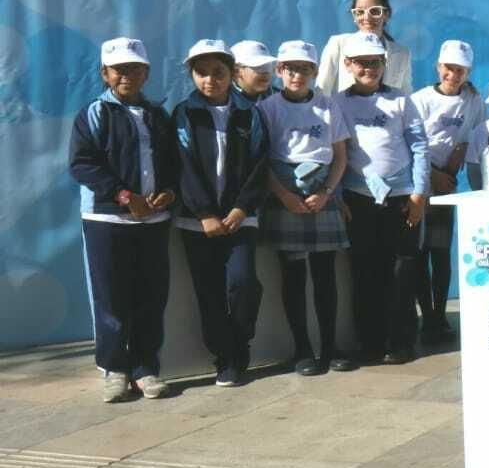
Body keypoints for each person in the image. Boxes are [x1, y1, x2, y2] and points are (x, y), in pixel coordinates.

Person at [70, 38, 179, 403]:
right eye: (119, 70)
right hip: (107, 219)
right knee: (112, 297)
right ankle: (114, 369)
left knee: (151, 295)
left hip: (154, 221)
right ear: (105, 74)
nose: (127, 76)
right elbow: (82, 164)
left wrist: (169, 192)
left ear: (146, 73)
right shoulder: (94, 113)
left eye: (134, 68)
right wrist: (124, 197)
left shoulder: (157, 115)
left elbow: (172, 164)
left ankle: (145, 368)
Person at [170, 40, 269, 387]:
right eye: (202, 73)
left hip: (241, 218)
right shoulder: (184, 113)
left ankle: (240, 346)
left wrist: (242, 207)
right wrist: (204, 214)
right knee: (209, 293)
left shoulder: (250, 113)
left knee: (243, 283)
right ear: (192, 75)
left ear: (233, 74)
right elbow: (183, 167)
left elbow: (260, 164)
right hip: (198, 223)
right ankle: (224, 359)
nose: (210, 80)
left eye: (218, 72)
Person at [257, 40, 355, 376]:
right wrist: (283, 195)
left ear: (314, 71)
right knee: (294, 276)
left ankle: (330, 347)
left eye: (304, 69)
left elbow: (340, 156)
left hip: (322, 193)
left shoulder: (328, 106)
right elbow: (262, 160)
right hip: (286, 194)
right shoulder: (267, 108)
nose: (297, 75)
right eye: (290, 68)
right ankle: (303, 349)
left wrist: (328, 193)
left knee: (325, 275)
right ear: (280, 71)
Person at [335, 30, 429, 365]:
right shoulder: (338, 102)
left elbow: (419, 147)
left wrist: (419, 194)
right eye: (361, 63)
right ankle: (369, 344)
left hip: (402, 199)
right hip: (358, 199)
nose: (368, 69)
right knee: (365, 273)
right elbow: (336, 152)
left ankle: (401, 341)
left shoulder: (402, 100)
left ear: (384, 64)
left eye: (374, 62)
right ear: (348, 64)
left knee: (402, 272)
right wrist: (338, 197)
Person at [410, 39, 483, 345]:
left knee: (440, 251)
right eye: (449, 68)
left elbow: (472, 135)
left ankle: (439, 316)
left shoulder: (473, 100)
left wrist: (455, 164)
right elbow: (412, 143)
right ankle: (425, 314)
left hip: (446, 184)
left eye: (460, 70)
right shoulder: (420, 100)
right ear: (439, 67)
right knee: (418, 251)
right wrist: (433, 175)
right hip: (418, 184)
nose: (453, 75)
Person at [317, 0, 413, 95]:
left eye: (375, 11)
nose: (367, 17)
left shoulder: (402, 53)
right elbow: (322, 89)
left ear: (386, 15)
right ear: (354, 16)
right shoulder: (338, 44)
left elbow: (406, 94)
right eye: (360, 12)